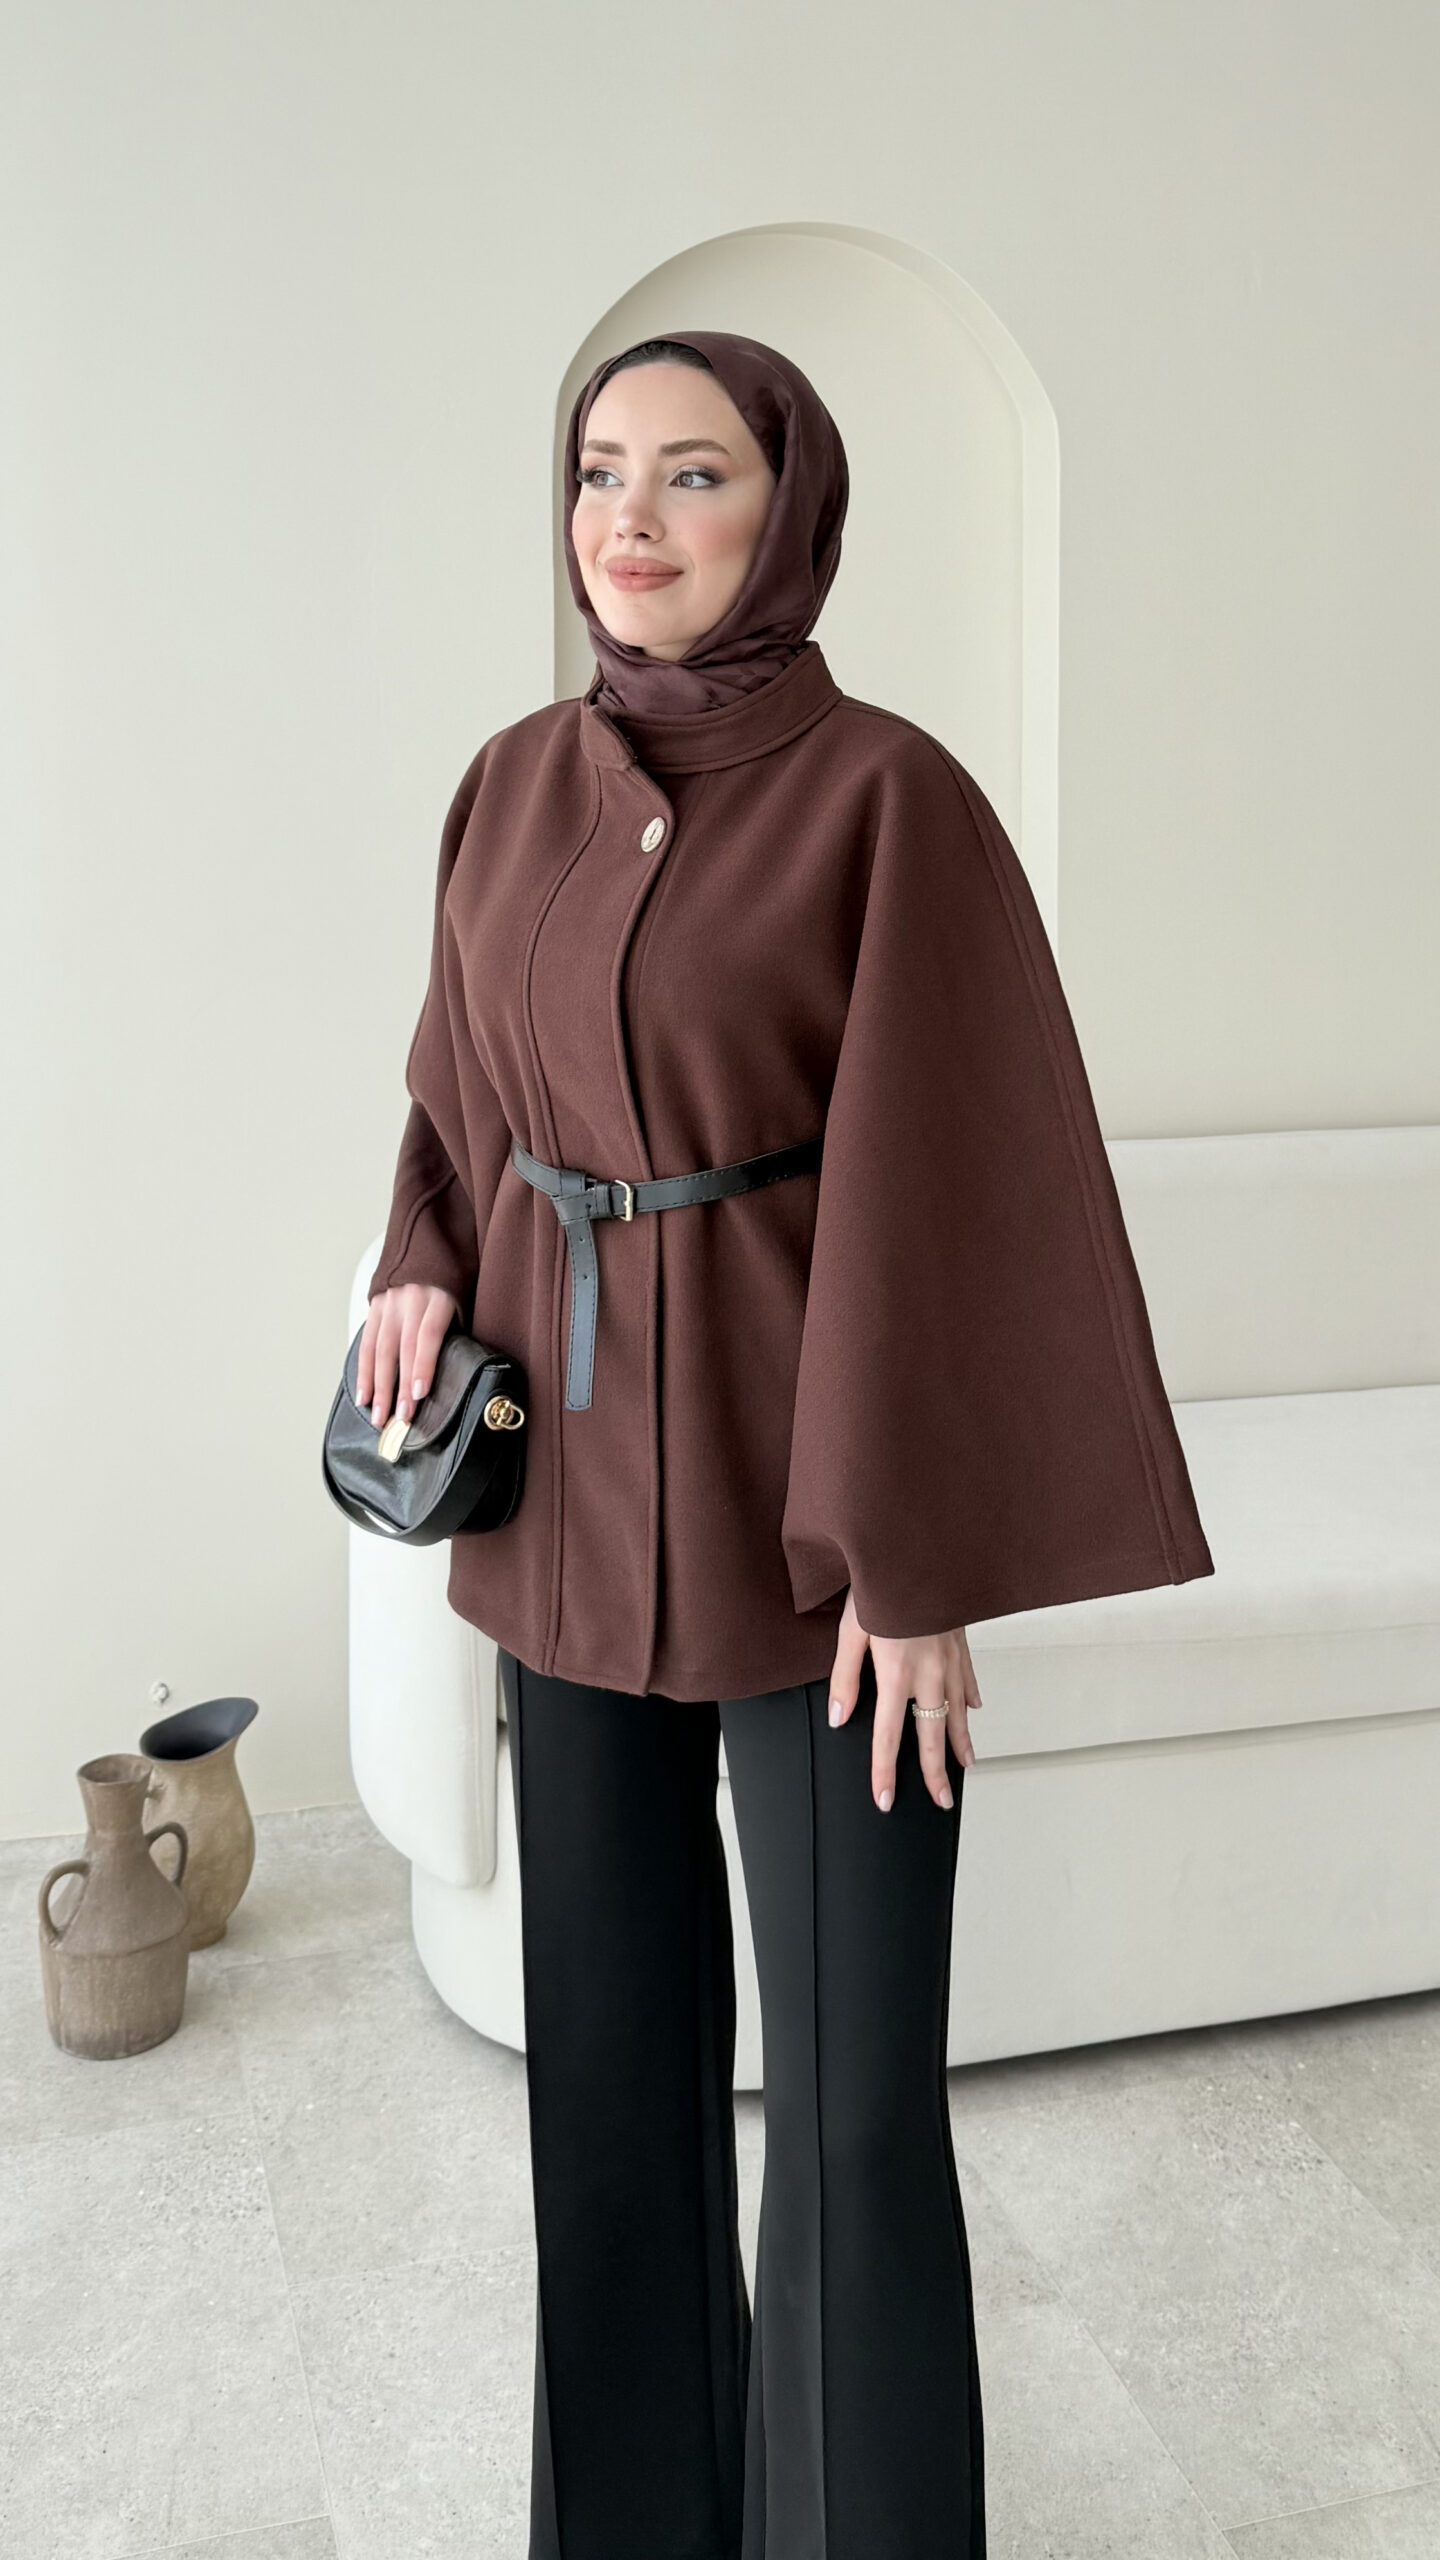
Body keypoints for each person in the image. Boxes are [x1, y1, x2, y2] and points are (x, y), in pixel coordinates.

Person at [358, 330, 1214, 2560]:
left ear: (792, 507)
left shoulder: (888, 799)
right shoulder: (509, 786)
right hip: (564, 1523)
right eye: (599, 472)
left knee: (845, 2114)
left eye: (694, 474)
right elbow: (455, 1090)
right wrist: (419, 1263)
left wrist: (907, 1562)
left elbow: (958, 1189)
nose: (630, 521)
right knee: (608, 2093)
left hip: (817, 1545)